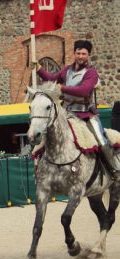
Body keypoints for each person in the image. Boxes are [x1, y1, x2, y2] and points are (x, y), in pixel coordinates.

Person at [35, 39, 120, 180]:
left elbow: (84, 91)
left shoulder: (91, 73)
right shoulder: (66, 70)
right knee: (48, 137)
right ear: (74, 53)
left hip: (86, 115)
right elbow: (51, 78)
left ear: (89, 55)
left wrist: (62, 88)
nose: (80, 56)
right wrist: (38, 68)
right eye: (78, 53)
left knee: (102, 141)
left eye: (84, 54)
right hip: (67, 114)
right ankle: (44, 171)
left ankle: (114, 169)